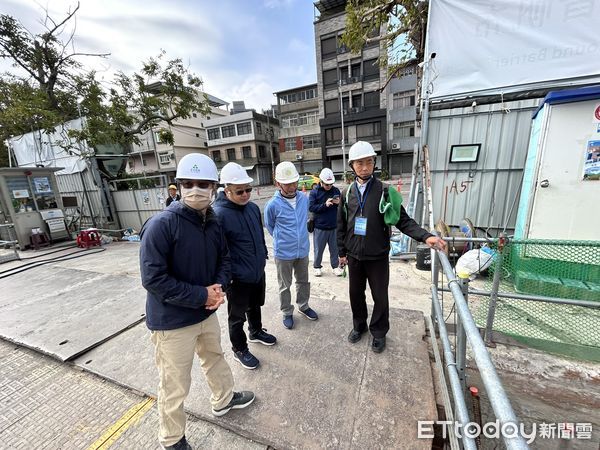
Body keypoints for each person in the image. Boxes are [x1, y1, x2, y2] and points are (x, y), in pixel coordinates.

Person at [140, 153, 254, 450]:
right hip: (172, 321)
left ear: (214, 187)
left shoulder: (213, 222)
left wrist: (218, 287)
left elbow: (224, 259)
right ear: (178, 186)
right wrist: (201, 295)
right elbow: (153, 279)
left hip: (205, 313)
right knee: (175, 383)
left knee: (214, 358)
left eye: (202, 184)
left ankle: (224, 399)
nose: (195, 189)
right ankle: (172, 439)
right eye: (188, 183)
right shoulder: (161, 225)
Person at [337, 141, 447, 354]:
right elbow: (341, 225)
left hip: (377, 256)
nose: (365, 167)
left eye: (369, 162)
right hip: (354, 256)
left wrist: (426, 237)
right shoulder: (346, 193)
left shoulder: (385, 192)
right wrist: (341, 252)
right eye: (359, 163)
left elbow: (403, 221)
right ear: (352, 166)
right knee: (355, 294)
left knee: (380, 296)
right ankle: (359, 326)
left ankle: (378, 333)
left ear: (374, 163)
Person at [213, 162, 276, 370]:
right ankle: (239, 349)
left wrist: (263, 255)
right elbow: (218, 252)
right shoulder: (218, 215)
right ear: (226, 189)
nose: (245, 194)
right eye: (239, 191)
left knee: (255, 305)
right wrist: (227, 277)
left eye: (248, 189)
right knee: (236, 316)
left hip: (256, 270)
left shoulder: (252, 208)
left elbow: (259, 234)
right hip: (237, 277)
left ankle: (256, 331)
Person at [264, 161, 319, 330]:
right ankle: (287, 312)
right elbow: (270, 226)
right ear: (278, 183)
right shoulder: (272, 205)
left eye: (294, 182)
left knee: (303, 281)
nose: (292, 186)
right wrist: (283, 239)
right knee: (284, 285)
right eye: (287, 183)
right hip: (283, 252)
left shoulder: (303, 199)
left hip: (302, 249)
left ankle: (303, 306)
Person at [309, 168, 343, 277]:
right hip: (320, 227)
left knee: (334, 249)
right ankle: (317, 267)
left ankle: (335, 267)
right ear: (321, 181)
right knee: (318, 249)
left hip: (334, 226)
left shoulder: (336, 191)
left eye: (331, 184)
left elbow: (342, 206)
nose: (329, 186)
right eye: (327, 184)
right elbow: (311, 207)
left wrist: (339, 203)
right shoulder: (314, 192)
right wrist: (325, 205)